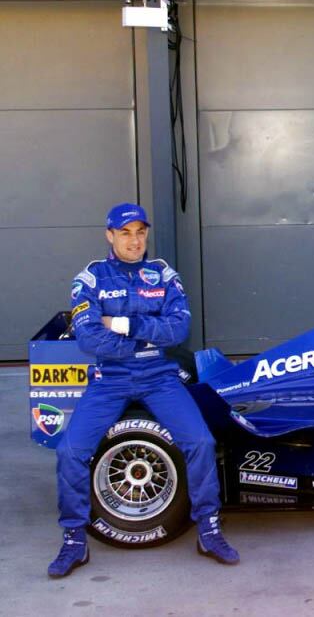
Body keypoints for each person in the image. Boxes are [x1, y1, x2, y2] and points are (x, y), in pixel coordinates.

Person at [48, 203, 239, 578]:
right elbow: (89, 336)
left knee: (200, 442)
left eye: (139, 232)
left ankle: (209, 530)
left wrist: (119, 322)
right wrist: (143, 337)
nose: (134, 240)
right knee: (71, 450)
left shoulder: (164, 274)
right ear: (110, 235)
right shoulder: (91, 277)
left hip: (159, 376)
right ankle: (74, 539)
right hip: (111, 378)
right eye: (125, 233)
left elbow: (177, 330)